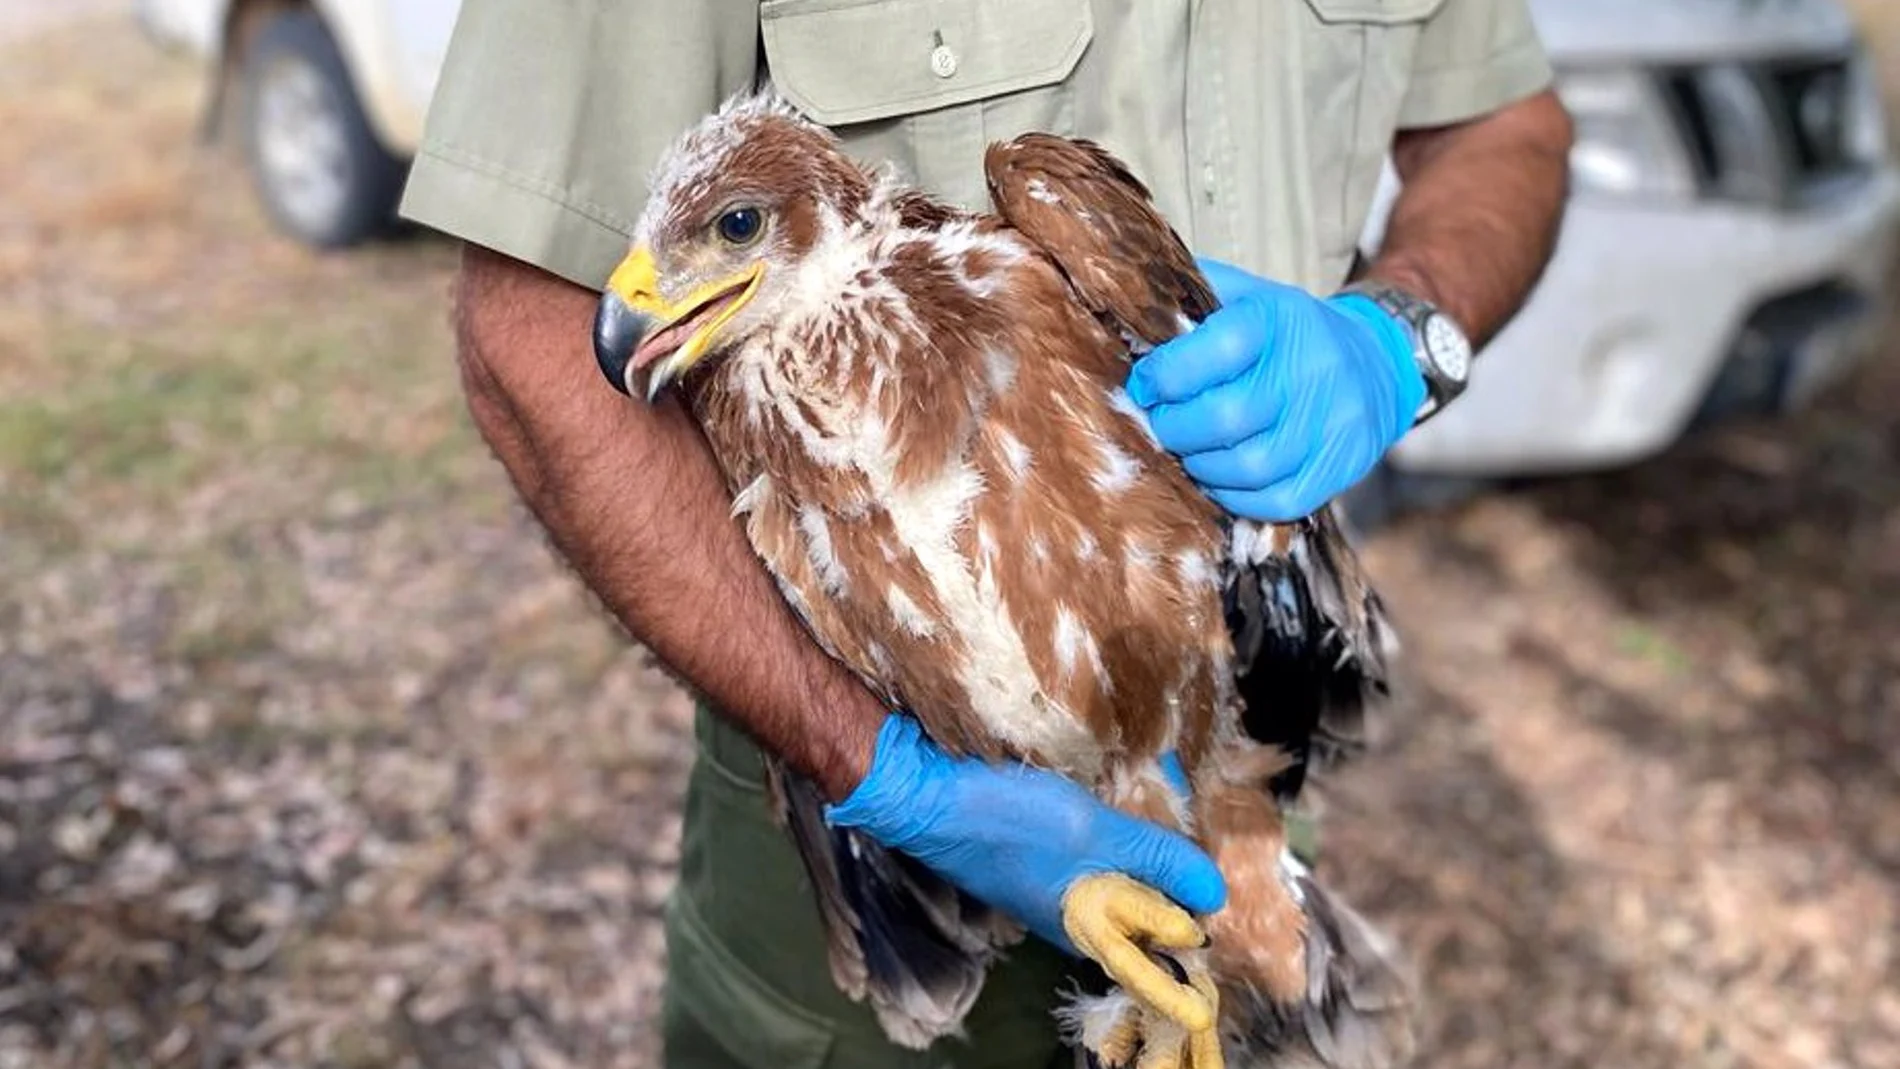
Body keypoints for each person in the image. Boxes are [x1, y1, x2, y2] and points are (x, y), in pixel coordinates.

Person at [398, 3, 1574, 1067]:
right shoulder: (755, 350)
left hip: (1228, 719)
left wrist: (1392, 341)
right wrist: (883, 773)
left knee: (1256, 990)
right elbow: (534, 334)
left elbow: (1504, 128)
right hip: (845, 752)